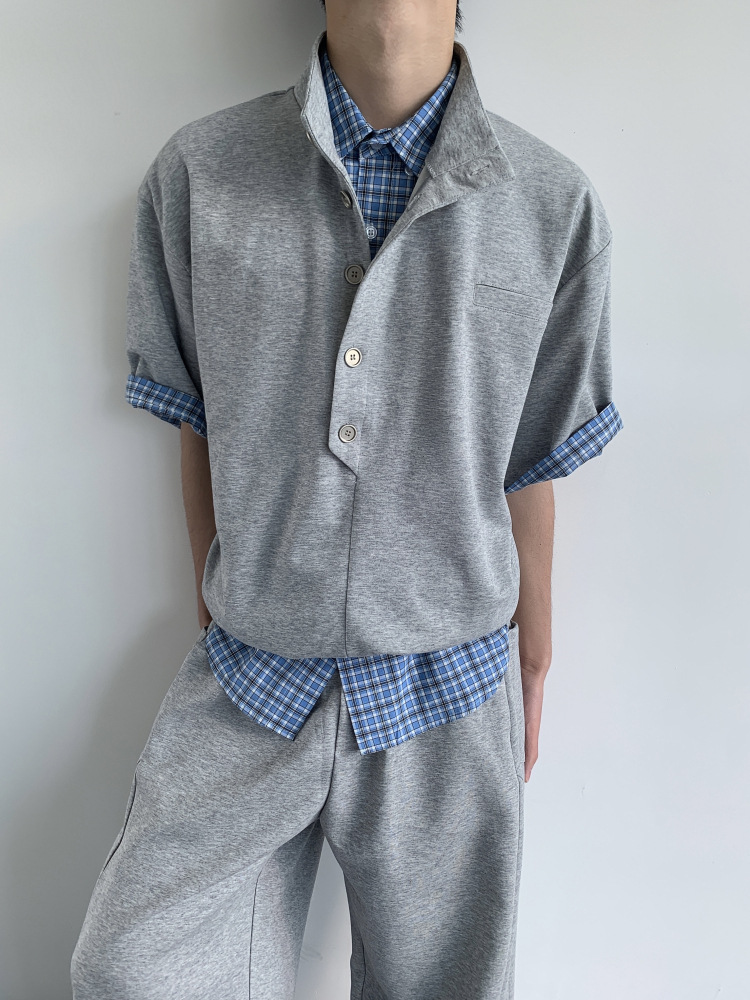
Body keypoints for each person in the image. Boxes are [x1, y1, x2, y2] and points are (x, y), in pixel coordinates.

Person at [71, 0, 622, 996]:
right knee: (133, 969)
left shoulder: (552, 204)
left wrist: (533, 655)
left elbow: (533, 461)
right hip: (251, 681)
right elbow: (198, 420)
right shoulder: (201, 175)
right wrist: (230, 602)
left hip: (450, 688)